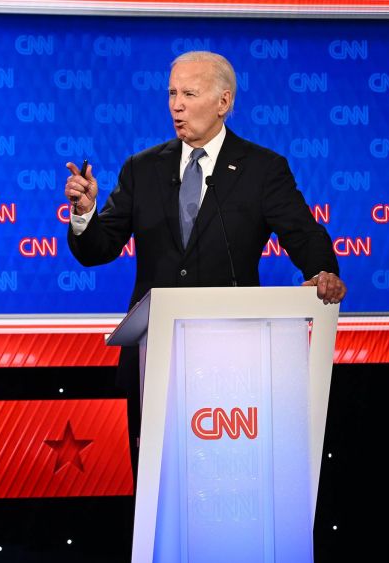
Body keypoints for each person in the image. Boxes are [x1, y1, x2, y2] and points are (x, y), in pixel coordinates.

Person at [63, 50, 346, 474]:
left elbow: (304, 235)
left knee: (230, 479)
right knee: (157, 487)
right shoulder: (142, 169)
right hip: (153, 359)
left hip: (234, 360)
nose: (176, 105)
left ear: (223, 102)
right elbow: (98, 249)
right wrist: (86, 213)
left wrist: (321, 272)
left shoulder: (262, 169)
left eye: (189, 93)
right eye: (172, 93)